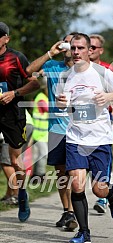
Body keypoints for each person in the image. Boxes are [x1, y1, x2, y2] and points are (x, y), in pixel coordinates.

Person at [56, 33, 113, 243]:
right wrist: (61, 104)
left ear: (89, 50)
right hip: (76, 138)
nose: (76, 52)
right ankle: (84, 233)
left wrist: (108, 97)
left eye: (80, 48)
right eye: (73, 48)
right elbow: (66, 106)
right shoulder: (68, 76)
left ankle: (112, 193)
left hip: (99, 139)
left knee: (99, 190)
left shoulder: (102, 72)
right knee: (77, 184)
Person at [26, 32, 78, 230]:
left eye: (72, 43)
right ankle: (68, 212)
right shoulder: (52, 66)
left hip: (77, 129)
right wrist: (50, 52)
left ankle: (74, 211)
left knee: (75, 172)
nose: (68, 46)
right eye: (65, 42)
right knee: (61, 173)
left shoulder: (86, 71)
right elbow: (29, 70)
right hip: (56, 128)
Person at [0, 22, 39, 221]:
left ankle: (21, 194)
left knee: (15, 160)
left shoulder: (16, 58)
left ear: (7, 38)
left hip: (12, 115)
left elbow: (35, 82)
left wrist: (14, 93)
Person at [89, 34, 113, 214]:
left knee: (102, 155)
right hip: (81, 121)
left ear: (101, 50)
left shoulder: (107, 68)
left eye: (93, 47)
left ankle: (102, 194)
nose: (89, 50)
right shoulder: (77, 68)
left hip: (103, 119)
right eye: (87, 46)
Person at [0, 110, 34, 205]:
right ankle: (10, 194)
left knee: (7, 162)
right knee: (14, 161)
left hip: (14, 123)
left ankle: (16, 195)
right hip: (26, 123)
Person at [31, 83, 48, 181]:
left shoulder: (45, 98)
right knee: (43, 154)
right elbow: (50, 110)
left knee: (41, 155)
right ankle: (40, 176)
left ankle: (37, 175)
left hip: (44, 134)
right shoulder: (41, 99)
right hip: (38, 133)